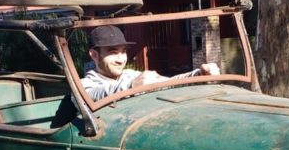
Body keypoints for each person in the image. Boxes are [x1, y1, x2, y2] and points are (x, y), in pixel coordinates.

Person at [82, 25, 220, 101]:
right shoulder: (84, 86)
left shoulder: (131, 75)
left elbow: (168, 83)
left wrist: (199, 75)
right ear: (94, 54)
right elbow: (94, 96)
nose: (121, 59)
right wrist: (132, 86)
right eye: (113, 52)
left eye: (123, 51)